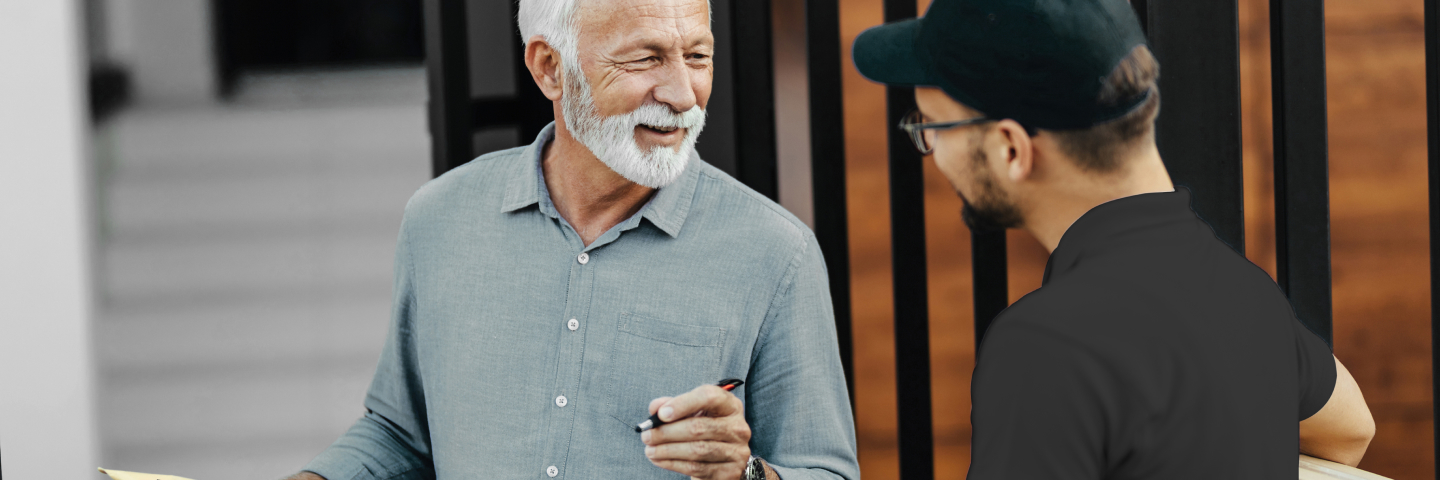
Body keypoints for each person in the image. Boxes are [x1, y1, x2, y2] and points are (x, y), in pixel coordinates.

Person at [282, 0, 859, 478]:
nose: (684, 95)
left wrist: (746, 473)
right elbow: (400, 436)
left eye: (698, 56)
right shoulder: (439, 219)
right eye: (646, 58)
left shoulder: (777, 252)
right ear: (549, 68)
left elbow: (826, 472)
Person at [851, 0, 1375, 478]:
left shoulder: (1046, 346)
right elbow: (1352, 430)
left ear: (1011, 148)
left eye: (932, 127)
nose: (932, 153)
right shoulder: (1250, 296)